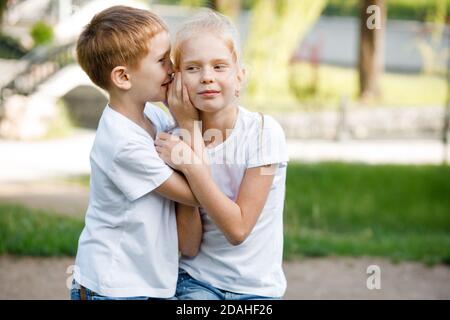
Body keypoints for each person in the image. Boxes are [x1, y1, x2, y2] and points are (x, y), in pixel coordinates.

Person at [155, 10, 289, 300]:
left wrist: (191, 166)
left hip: (256, 290)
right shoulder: (174, 140)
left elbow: (237, 230)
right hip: (195, 281)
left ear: (239, 77)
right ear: (176, 80)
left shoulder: (264, 134)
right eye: (192, 68)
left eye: (219, 66)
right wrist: (189, 131)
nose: (206, 77)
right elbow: (189, 245)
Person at [70, 5, 200, 300]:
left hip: (143, 282)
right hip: (114, 285)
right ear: (123, 77)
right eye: (161, 60)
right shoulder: (121, 142)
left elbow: (190, 159)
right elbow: (194, 192)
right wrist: (188, 122)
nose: (172, 68)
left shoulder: (155, 117)